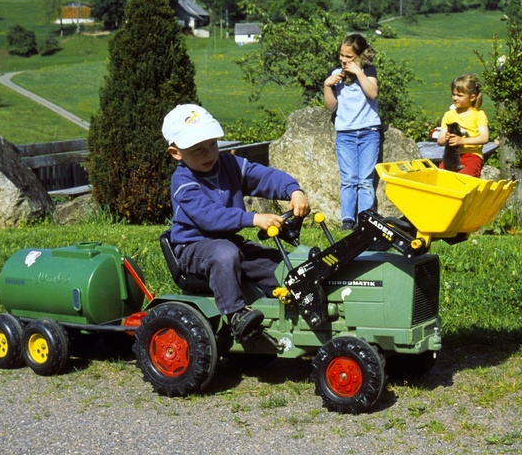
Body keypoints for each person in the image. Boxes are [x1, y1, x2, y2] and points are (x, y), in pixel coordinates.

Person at [162, 104, 310, 341]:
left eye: (212, 144)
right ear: (176, 152)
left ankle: (297, 304)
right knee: (225, 253)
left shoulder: (229, 164)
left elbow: (263, 176)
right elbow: (210, 217)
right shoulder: (183, 182)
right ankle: (236, 315)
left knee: (280, 266)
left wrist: (294, 191)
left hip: (230, 243)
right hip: (194, 248)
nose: (209, 153)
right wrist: (254, 218)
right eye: (198, 149)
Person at [324, 33, 381, 231]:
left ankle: (365, 219)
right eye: (341, 55)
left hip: (368, 132)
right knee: (348, 179)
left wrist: (359, 73)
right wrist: (327, 85)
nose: (343, 60)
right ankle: (347, 219)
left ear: (360, 56)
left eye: (349, 57)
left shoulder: (368, 70)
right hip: (345, 133)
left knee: (365, 180)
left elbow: (373, 93)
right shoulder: (336, 73)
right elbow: (332, 106)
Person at [436, 74, 490, 177]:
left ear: (472, 97)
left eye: (459, 95)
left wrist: (462, 141)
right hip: (450, 156)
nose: (455, 98)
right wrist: (446, 137)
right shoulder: (449, 115)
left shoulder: (478, 114)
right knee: (440, 177)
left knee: (463, 178)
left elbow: (484, 137)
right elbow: (440, 141)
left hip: (471, 156)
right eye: (453, 94)